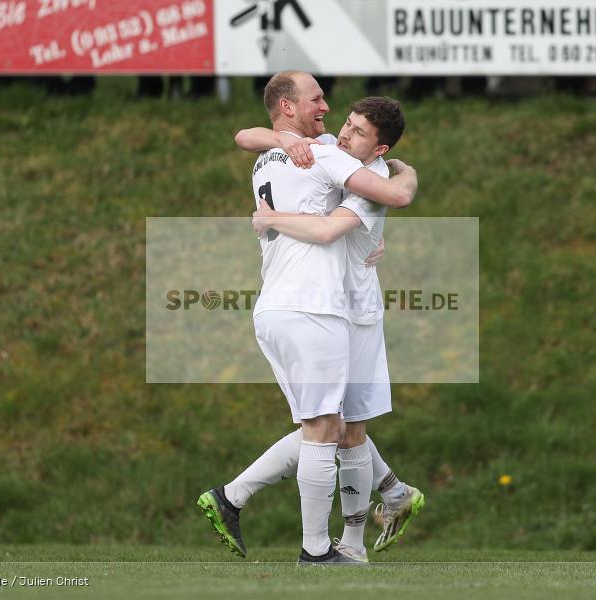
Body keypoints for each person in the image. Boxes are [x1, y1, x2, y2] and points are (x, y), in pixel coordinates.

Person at [197, 71, 417, 565]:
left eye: (356, 129)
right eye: (318, 101)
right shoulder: (328, 155)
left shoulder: (269, 159)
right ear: (288, 107)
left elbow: (244, 136)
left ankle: (362, 519)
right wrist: (404, 173)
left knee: (336, 425)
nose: (332, 118)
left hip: (280, 306)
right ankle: (318, 549)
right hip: (318, 307)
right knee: (329, 428)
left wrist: (277, 146)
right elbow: (388, 199)